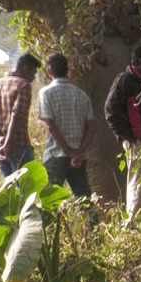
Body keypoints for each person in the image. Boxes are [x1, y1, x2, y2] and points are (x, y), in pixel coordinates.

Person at [105, 46, 141, 219]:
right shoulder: (124, 81)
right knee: (137, 181)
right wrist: (127, 138)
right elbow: (110, 111)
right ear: (138, 62)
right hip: (136, 141)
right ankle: (133, 222)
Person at [37, 53, 94, 197]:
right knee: (83, 197)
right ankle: (93, 220)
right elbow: (92, 127)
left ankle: (52, 221)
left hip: (56, 154)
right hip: (78, 157)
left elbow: (51, 126)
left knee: (49, 200)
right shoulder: (81, 95)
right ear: (67, 70)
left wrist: (69, 151)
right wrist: (79, 152)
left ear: (49, 71)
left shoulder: (46, 93)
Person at [0, 53, 39, 176]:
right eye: (33, 73)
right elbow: (17, 115)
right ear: (25, 68)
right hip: (19, 146)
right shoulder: (23, 85)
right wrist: (8, 143)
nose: (33, 77)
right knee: (26, 190)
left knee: (10, 191)